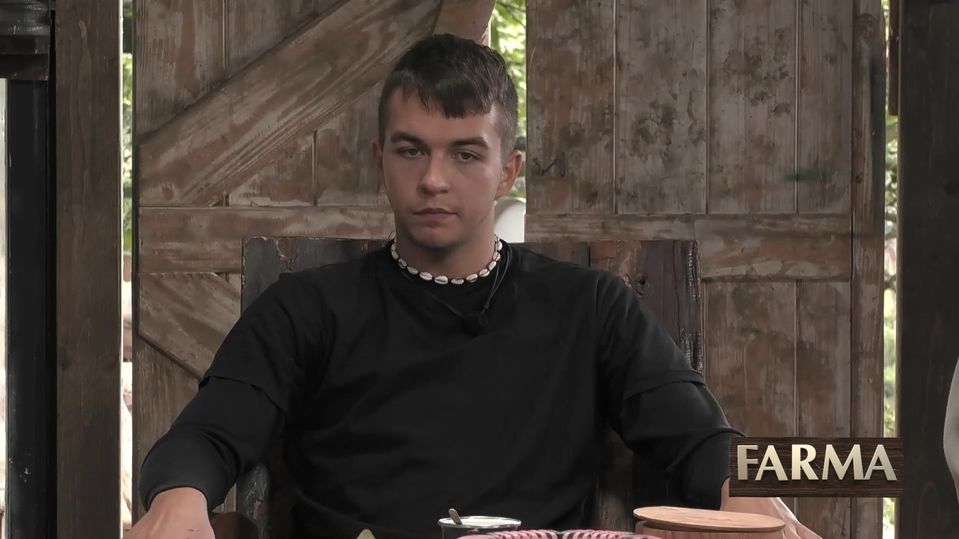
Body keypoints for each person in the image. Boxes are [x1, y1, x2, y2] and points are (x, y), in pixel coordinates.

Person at [127, 34, 819, 539]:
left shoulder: (591, 308)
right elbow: (207, 434)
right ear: (380, 159)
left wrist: (751, 493)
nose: (433, 179)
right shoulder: (305, 310)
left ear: (508, 170)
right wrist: (179, 497)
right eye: (411, 150)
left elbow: (698, 435)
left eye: (464, 154)